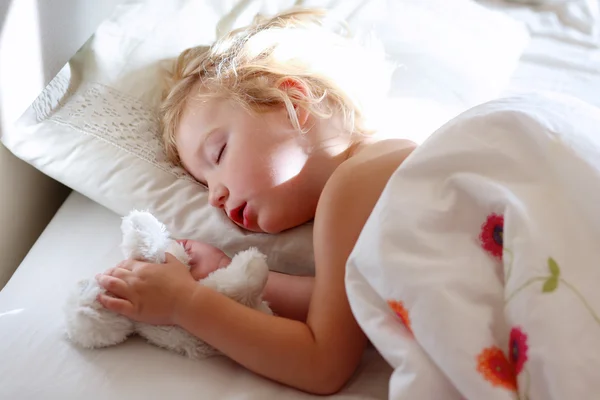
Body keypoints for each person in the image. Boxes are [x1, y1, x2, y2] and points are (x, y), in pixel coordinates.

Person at [95, 8, 416, 395]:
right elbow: (357, 305)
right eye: (203, 182)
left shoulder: (351, 187)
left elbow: (323, 364)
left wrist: (185, 303)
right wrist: (227, 270)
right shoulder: (377, 170)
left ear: (293, 104)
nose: (213, 196)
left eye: (218, 154)